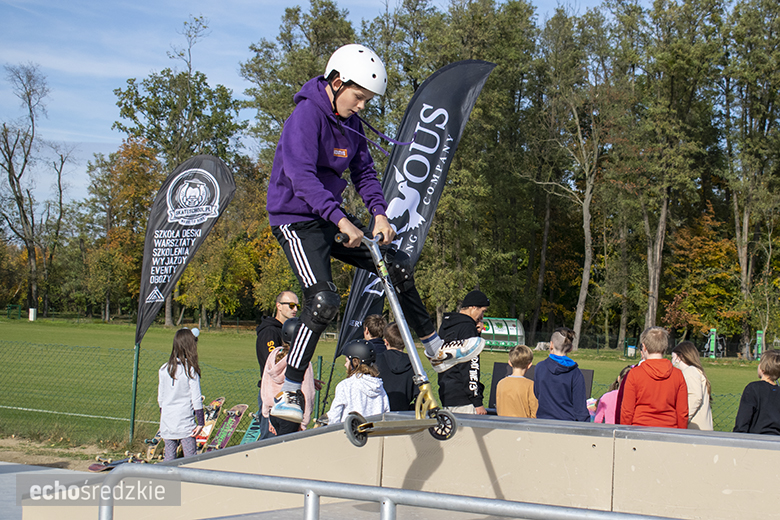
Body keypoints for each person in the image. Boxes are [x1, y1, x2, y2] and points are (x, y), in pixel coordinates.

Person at [267, 43, 483, 424]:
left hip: (327, 217)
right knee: (323, 302)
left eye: (367, 99)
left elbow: (364, 173)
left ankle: (435, 350)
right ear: (337, 83)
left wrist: (379, 214)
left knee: (396, 265)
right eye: (359, 96)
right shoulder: (305, 117)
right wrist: (341, 220)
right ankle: (290, 392)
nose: (363, 105)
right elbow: (301, 177)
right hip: (296, 220)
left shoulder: (350, 123)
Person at [619, 327, 688, 429]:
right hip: (669, 432)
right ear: (665, 347)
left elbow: (627, 411)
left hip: (639, 431)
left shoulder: (634, 374)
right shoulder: (678, 375)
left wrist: (625, 432)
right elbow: (682, 413)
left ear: (644, 347)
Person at [437, 290, 490, 415]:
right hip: (464, 397)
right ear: (473, 308)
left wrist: (477, 334)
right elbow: (470, 365)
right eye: (482, 311)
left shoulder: (447, 326)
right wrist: (477, 401)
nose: (482, 316)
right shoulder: (467, 328)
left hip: (446, 392)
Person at [261, 318, 316, 436]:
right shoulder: (303, 361)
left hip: (274, 412)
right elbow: (307, 393)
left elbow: (266, 386)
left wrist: (267, 413)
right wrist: (304, 422)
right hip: (292, 414)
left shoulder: (273, 355)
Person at [255, 290, 299, 438]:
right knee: (270, 440)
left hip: (286, 394)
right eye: (291, 305)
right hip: (272, 394)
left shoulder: (286, 331)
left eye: (297, 306)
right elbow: (275, 368)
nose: (295, 309)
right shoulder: (270, 332)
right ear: (279, 306)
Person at [158, 328, 204, 461]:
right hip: (185, 423)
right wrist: (200, 422)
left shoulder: (164, 369)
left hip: (167, 422)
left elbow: (161, 399)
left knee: (169, 457)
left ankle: (167, 479)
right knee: (190, 459)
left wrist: (165, 415)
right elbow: (196, 398)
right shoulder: (190, 371)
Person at [325, 339, 390, 425]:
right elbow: (386, 414)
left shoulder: (345, 386)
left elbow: (334, 418)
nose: (345, 365)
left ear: (355, 362)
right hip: (375, 434)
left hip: (351, 435)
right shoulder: (379, 387)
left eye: (347, 361)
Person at [533, 327, 590, 422]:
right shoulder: (576, 373)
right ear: (570, 348)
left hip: (543, 423)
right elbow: (580, 408)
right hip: (567, 425)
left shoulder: (540, 367)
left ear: (551, 344)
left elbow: (537, 393)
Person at [733, 349, 780, 435]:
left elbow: (743, 419)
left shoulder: (753, 388)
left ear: (762, 368)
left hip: (756, 440)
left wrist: (738, 438)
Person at [375, 322, 419, 411]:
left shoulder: (376, 361)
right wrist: (409, 410)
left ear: (386, 342)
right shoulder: (414, 365)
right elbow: (422, 397)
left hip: (378, 415)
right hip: (402, 417)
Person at [671, 341, 713, 430]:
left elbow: (695, 397)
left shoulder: (690, 372)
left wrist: (683, 419)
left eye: (673, 357)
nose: (672, 361)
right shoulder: (695, 371)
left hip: (695, 428)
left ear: (680, 357)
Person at [495, 345, 538, 418]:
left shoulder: (501, 383)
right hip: (523, 427)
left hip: (503, 425)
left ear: (510, 363)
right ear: (529, 365)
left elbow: (498, 407)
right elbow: (535, 411)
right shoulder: (531, 385)